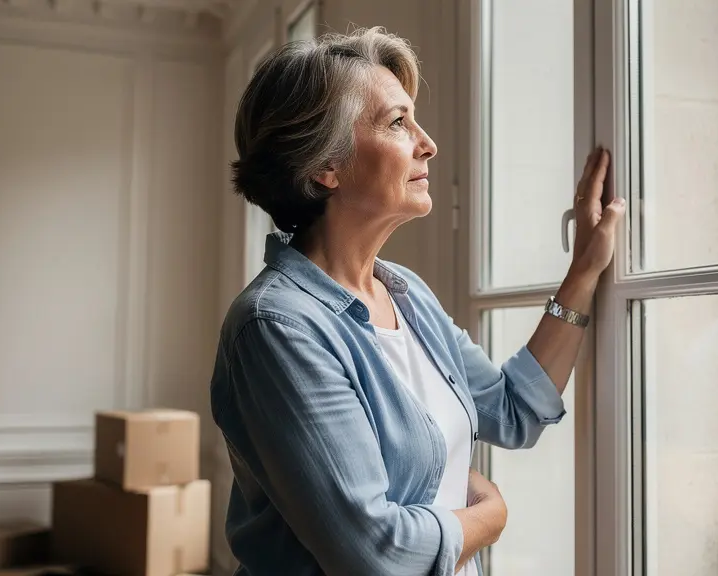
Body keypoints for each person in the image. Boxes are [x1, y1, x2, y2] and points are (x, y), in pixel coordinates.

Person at [210, 27, 625, 576]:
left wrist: (585, 270)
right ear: (323, 166)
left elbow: (511, 411)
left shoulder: (407, 294)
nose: (427, 143)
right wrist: (491, 517)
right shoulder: (276, 328)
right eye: (397, 122)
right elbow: (377, 553)